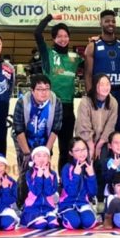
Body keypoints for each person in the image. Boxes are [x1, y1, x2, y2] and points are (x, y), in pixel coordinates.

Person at [34, 13, 82, 159]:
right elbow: (37, 33)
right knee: (45, 148)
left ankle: (65, 174)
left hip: (68, 107)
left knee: (66, 149)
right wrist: (50, 17)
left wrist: (95, 43)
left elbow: (91, 63)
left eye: (66, 36)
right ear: (54, 38)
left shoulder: (75, 57)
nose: (63, 39)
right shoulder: (47, 53)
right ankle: (42, 172)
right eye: (59, 36)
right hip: (50, 106)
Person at [12, 74, 62, 174]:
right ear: (32, 90)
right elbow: (18, 129)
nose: (44, 92)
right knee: (26, 171)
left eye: (47, 89)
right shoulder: (22, 102)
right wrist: (27, 153)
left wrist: (46, 152)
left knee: (44, 169)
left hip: (46, 138)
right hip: (24, 139)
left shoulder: (56, 102)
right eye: (39, 89)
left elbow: (56, 129)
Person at [84, 9, 120, 104]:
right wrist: (91, 98)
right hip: (99, 94)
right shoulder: (92, 46)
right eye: (107, 21)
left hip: (118, 93)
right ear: (101, 23)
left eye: (113, 21)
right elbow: (88, 75)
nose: (111, 24)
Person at [76, 73, 119, 161]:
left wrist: (99, 144)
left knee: (103, 161)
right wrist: (91, 145)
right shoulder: (85, 102)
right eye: (101, 84)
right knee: (87, 159)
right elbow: (83, 126)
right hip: (85, 140)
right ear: (95, 85)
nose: (105, 87)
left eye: (107, 84)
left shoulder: (113, 102)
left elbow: (110, 126)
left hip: (103, 141)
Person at [59, 138, 97, 230]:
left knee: (89, 223)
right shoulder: (66, 168)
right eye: (77, 150)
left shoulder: (88, 167)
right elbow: (71, 192)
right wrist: (76, 175)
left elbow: (92, 193)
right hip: (67, 204)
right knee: (74, 223)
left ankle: (79, 216)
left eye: (84, 149)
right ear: (71, 153)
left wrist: (91, 176)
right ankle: (61, 216)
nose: (82, 153)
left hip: (83, 204)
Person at [20, 145, 60, 229]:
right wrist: (39, 176)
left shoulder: (53, 174)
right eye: (38, 156)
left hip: (48, 207)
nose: (42, 158)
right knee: (41, 224)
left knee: (53, 224)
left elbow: (49, 192)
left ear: (49, 159)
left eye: (45, 156)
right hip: (33, 207)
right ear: (33, 159)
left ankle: (45, 217)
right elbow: (36, 191)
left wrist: (47, 176)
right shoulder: (29, 174)